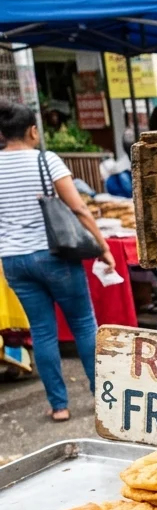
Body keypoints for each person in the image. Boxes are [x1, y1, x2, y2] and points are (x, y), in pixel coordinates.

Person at [0, 99, 114, 422]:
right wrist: (102, 246)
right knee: (82, 324)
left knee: (43, 331)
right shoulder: (46, 161)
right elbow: (78, 208)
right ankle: (102, 397)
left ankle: (59, 406)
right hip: (54, 256)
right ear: (33, 130)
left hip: (14, 261)